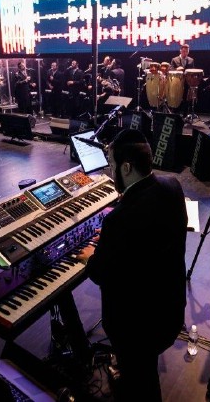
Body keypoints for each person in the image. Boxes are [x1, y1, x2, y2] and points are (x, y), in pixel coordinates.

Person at [76, 129, 187, 401]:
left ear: (126, 168)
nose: (110, 171)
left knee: (142, 383)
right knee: (141, 372)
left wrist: (91, 256)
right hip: (171, 311)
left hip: (137, 330)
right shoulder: (173, 186)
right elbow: (146, 244)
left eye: (112, 165)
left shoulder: (119, 219)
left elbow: (101, 273)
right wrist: (114, 242)